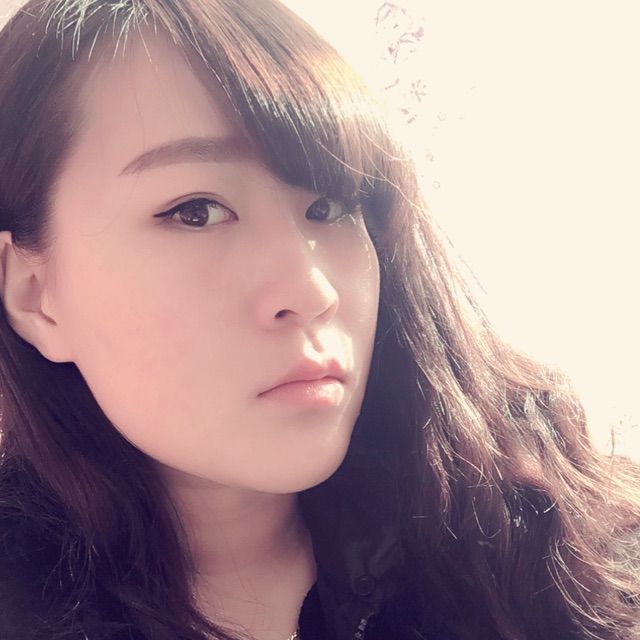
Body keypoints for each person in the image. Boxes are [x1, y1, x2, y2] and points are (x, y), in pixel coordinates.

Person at [0, 1, 638, 639]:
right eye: (195, 211)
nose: (313, 290)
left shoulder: (549, 544)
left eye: (331, 205)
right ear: (34, 295)